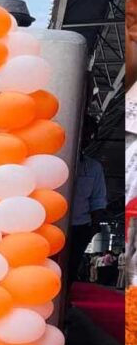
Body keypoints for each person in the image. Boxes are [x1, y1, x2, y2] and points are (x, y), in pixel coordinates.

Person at [67, 118, 108, 286]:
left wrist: (93, 227)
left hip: (79, 227)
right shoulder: (52, 160)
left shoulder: (93, 168)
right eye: (83, 132)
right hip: (49, 224)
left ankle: (66, 296)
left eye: (90, 135)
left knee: (71, 268)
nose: (86, 138)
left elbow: (98, 200)